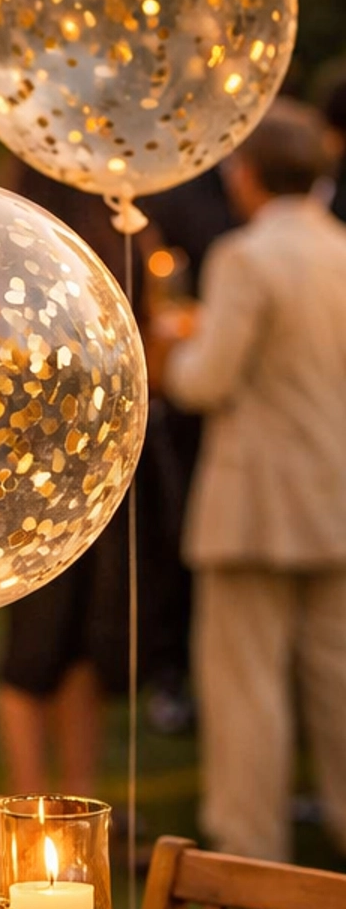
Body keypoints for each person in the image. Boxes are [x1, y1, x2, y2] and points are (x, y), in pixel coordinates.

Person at [153, 101, 346, 864]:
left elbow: (206, 383)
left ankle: (248, 845)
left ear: (249, 175)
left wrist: (178, 339)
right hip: (333, 491)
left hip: (257, 498)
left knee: (246, 682)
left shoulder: (245, 257)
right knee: (336, 675)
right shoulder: (340, 249)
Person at [0, 169, 135, 797]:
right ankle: (64, 801)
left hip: (33, 468)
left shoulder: (6, 259)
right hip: (100, 464)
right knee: (74, 639)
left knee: (44, 640)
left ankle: (42, 801)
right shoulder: (102, 249)